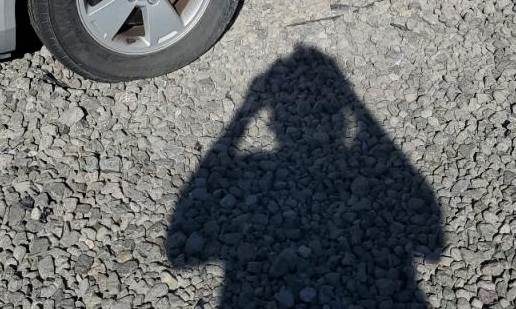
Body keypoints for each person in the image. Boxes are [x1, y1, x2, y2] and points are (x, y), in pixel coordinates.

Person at [169, 46, 444, 308]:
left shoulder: (251, 164)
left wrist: (243, 115)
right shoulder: (366, 172)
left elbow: (181, 253)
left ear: (272, 123)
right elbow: (432, 244)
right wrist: (356, 104)